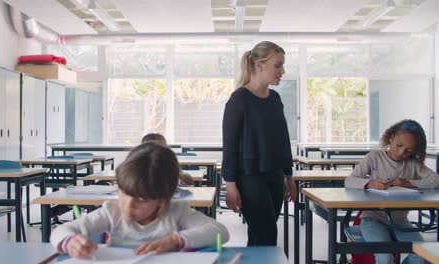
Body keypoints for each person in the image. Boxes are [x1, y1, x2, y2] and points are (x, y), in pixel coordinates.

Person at [50, 142, 229, 259]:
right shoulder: (111, 211)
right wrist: (70, 241)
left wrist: (176, 240)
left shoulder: (176, 211)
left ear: (162, 199)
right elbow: (62, 230)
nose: (128, 205)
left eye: (142, 199)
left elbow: (220, 231)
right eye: (123, 192)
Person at [222, 41, 297, 246]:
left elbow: (283, 139)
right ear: (259, 65)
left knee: (258, 237)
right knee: (267, 236)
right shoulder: (239, 100)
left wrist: (289, 175)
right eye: (278, 65)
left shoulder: (275, 99)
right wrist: (230, 186)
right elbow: (229, 146)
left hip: (275, 175)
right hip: (249, 177)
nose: (282, 70)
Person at [345, 119, 439, 264]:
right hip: (372, 219)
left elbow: (435, 180)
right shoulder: (374, 157)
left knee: (423, 255)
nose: (402, 153)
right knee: (385, 257)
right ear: (391, 138)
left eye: (409, 150)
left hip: (400, 221)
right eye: (399, 145)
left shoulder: (413, 164)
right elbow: (349, 181)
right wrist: (369, 183)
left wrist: (410, 183)